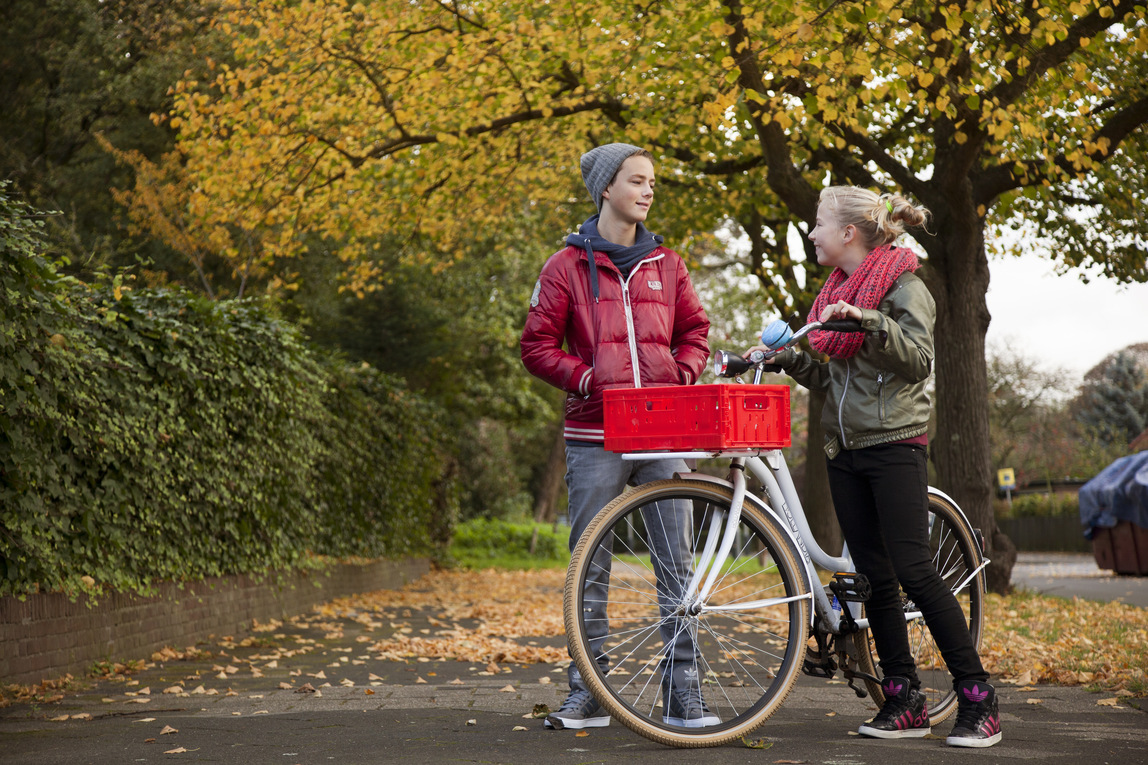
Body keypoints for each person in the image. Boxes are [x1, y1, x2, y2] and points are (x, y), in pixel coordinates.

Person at [744, 186, 1002, 749]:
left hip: (894, 447)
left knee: (914, 571)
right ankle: (903, 698)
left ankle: (979, 699)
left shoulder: (906, 286)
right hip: (845, 452)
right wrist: (788, 357)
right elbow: (833, 377)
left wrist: (868, 322)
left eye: (818, 224)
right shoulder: (834, 292)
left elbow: (917, 361)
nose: (811, 233)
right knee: (874, 580)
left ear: (848, 233)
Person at [520, 143, 712, 730]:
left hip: (662, 433)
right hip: (593, 434)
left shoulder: (668, 264)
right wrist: (586, 378)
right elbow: (536, 347)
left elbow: (695, 332)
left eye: (652, 181)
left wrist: (681, 373)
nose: (649, 190)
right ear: (606, 189)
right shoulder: (563, 268)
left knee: (676, 566)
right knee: (590, 566)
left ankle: (685, 701)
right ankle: (589, 696)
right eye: (637, 180)